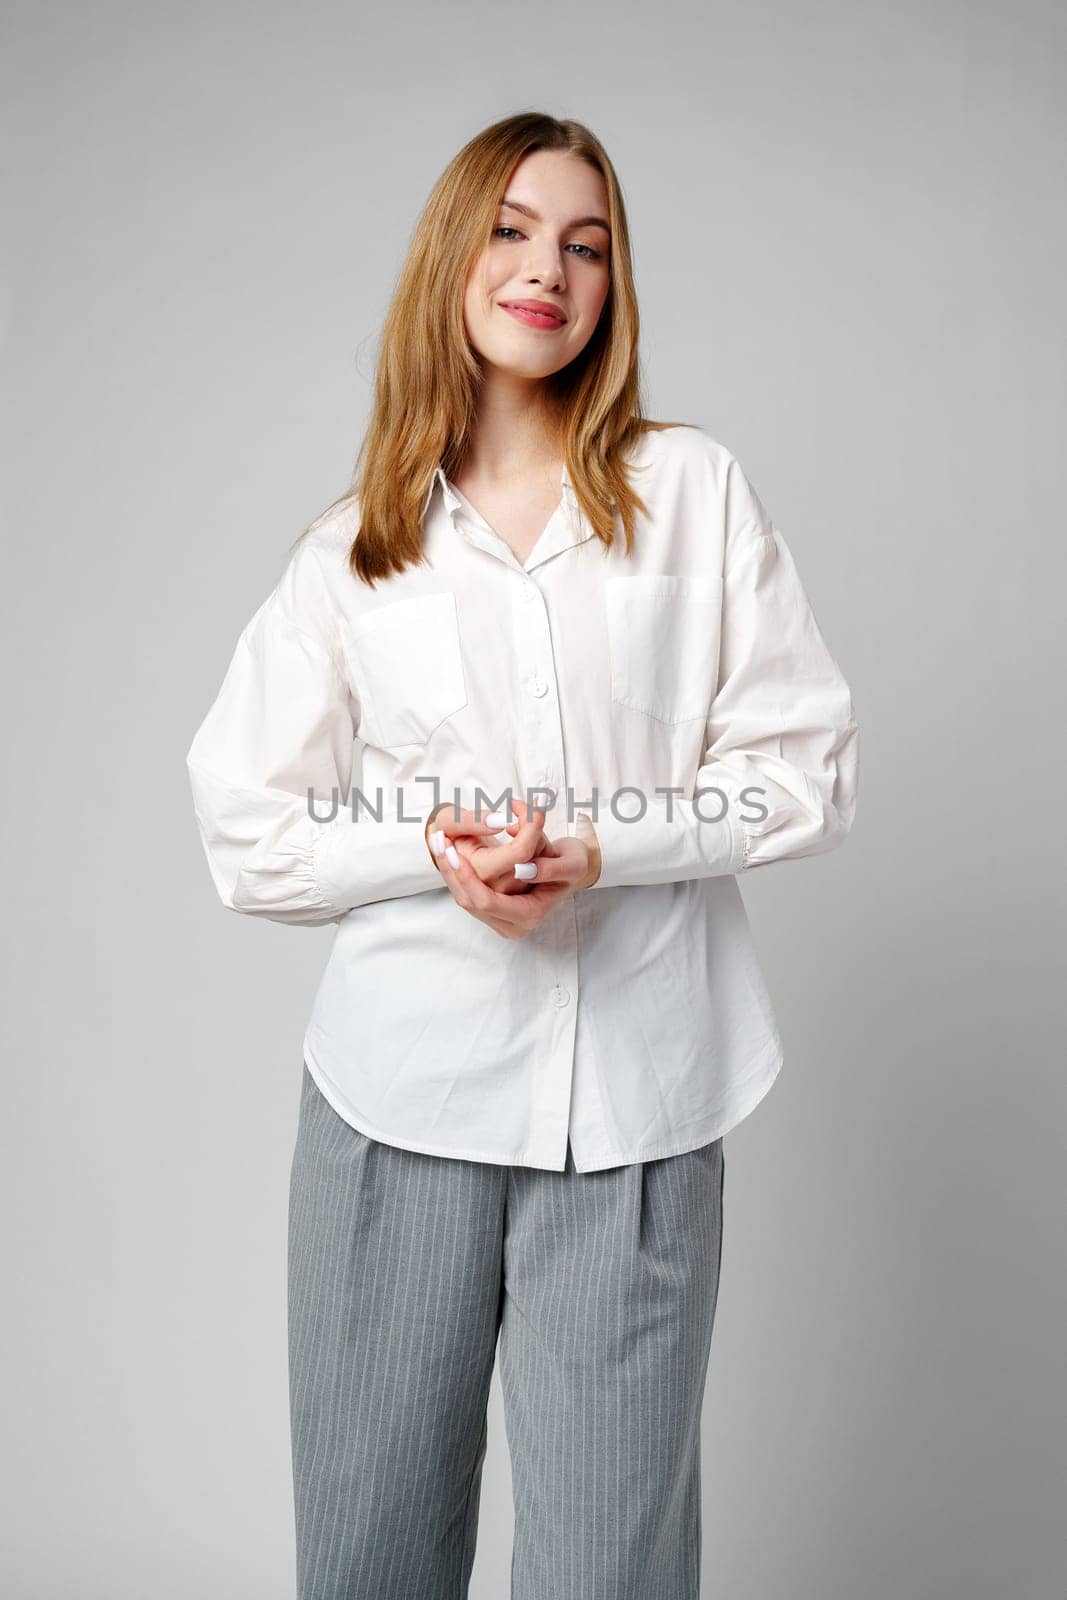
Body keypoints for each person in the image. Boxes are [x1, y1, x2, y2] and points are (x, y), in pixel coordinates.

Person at [185, 110, 859, 1600]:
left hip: (637, 1112)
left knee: (614, 1570)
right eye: (510, 228)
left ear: (615, 286)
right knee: (367, 1555)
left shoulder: (694, 496)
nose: (545, 268)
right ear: (452, 256)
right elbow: (246, 829)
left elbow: (806, 773)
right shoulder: (353, 549)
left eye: (586, 242)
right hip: (396, 1108)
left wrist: (607, 845)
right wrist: (427, 847)